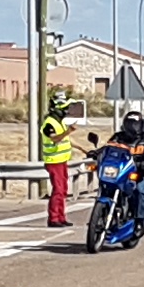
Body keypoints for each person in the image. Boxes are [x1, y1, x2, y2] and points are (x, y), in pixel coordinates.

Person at [40, 95, 80, 227]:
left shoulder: (60, 122)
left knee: (63, 190)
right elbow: (55, 139)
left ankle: (61, 217)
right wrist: (68, 131)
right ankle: (54, 219)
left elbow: (66, 140)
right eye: (66, 108)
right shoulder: (49, 123)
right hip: (53, 161)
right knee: (58, 190)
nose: (67, 111)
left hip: (62, 161)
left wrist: (83, 149)